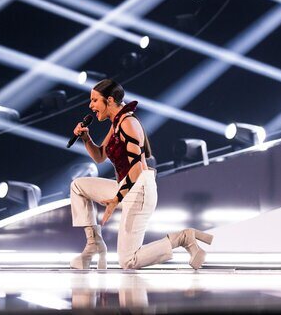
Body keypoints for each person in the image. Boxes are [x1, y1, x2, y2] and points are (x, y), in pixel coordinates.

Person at [69, 79, 213, 270]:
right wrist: (86, 139)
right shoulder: (116, 123)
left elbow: (137, 170)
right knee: (78, 186)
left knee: (128, 261)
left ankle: (183, 238)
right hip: (126, 186)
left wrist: (115, 200)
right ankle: (94, 243)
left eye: (95, 100)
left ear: (109, 100)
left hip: (140, 191)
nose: (91, 105)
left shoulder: (128, 123)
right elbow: (100, 156)